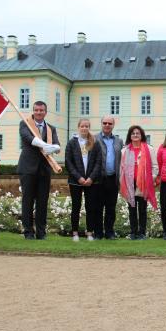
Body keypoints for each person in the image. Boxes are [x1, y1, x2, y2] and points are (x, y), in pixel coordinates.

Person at [17, 101, 61, 240]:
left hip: (44, 169)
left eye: (41, 110)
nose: (39, 112)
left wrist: (54, 148)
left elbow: (58, 145)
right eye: (36, 110)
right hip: (28, 168)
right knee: (28, 200)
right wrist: (46, 146)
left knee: (42, 201)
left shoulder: (51, 128)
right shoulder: (25, 123)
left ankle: (41, 232)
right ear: (33, 111)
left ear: (45, 112)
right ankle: (28, 231)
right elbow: (29, 138)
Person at [65, 118, 103, 242]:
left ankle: (90, 233)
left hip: (92, 182)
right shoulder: (71, 143)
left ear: (89, 128)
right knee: (76, 206)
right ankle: (75, 232)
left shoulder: (95, 142)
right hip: (76, 181)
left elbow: (98, 162)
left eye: (87, 126)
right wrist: (79, 178)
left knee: (90, 207)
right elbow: (68, 163)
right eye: (82, 126)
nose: (84, 128)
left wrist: (91, 178)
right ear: (78, 127)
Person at [119, 125, 157, 240]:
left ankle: (142, 233)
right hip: (130, 183)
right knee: (131, 208)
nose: (135, 135)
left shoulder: (148, 149)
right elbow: (121, 168)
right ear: (130, 136)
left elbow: (155, 166)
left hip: (144, 183)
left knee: (142, 209)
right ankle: (133, 232)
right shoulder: (124, 150)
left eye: (138, 133)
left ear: (142, 136)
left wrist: (151, 179)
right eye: (133, 133)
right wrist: (122, 181)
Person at [96, 116, 124, 239]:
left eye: (110, 123)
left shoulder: (119, 141)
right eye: (105, 123)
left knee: (111, 208)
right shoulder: (94, 138)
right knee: (98, 207)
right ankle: (98, 233)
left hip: (113, 178)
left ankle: (109, 232)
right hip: (98, 179)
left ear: (113, 125)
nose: (107, 125)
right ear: (101, 124)